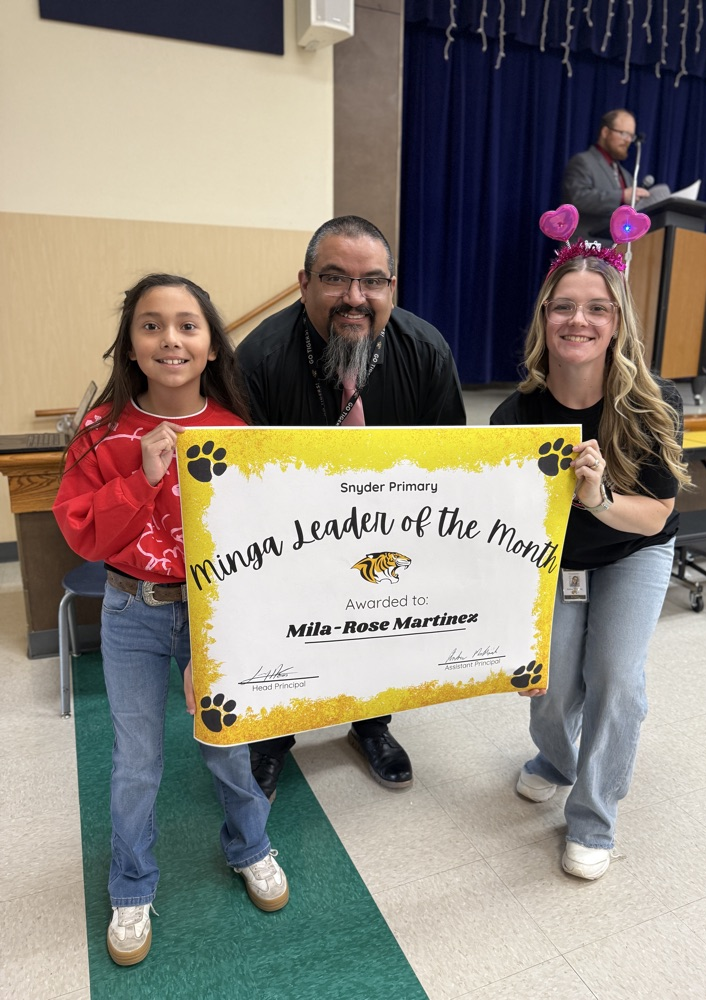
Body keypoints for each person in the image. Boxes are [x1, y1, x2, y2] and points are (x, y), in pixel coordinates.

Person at [53, 274, 289, 967]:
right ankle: (132, 883)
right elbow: (84, 535)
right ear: (130, 343)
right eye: (151, 325)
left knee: (226, 743)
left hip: (214, 610)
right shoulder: (103, 432)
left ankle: (251, 845)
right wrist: (144, 476)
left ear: (212, 345)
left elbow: (258, 546)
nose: (170, 340)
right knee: (136, 761)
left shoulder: (235, 432)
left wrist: (220, 632)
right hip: (132, 609)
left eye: (188, 325)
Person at [236, 215, 466, 802]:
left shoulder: (425, 350)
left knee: (382, 628)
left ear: (393, 287)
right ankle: (272, 735)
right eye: (335, 279)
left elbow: (451, 462)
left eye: (373, 281)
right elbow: (242, 484)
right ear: (304, 282)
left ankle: (372, 724)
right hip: (288, 537)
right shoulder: (260, 357)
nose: (355, 298)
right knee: (284, 631)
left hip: (393, 530)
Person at [490, 219, 690, 881]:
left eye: (597, 308)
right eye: (565, 306)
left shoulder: (652, 405)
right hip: (559, 561)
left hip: (634, 548)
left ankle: (593, 816)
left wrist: (597, 498)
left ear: (617, 322)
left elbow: (657, 511)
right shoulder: (517, 414)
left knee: (616, 681)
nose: (579, 319)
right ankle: (555, 760)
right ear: (546, 317)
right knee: (546, 689)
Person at [562, 109, 651, 241]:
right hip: (585, 252)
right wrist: (621, 196)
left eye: (630, 136)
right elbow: (578, 198)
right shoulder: (583, 162)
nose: (627, 141)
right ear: (605, 132)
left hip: (616, 253)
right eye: (623, 133)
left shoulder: (626, 175)